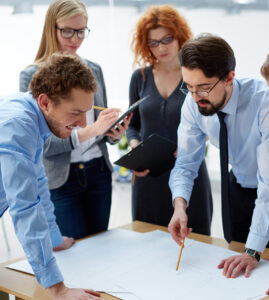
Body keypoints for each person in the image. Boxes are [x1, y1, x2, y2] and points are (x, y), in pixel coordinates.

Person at [19, 0, 131, 240]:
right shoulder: (31, 76)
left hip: (98, 172)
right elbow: (44, 145)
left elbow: (101, 128)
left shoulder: (94, 69)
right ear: (52, 28)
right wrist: (92, 130)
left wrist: (114, 133)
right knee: (73, 253)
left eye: (81, 31)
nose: (75, 39)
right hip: (61, 178)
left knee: (100, 246)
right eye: (67, 31)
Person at [0, 53, 104, 299]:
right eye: (75, 113)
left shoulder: (34, 114)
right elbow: (25, 208)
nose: (81, 123)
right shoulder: (18, 125)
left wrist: (54, 239)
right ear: (45, 102)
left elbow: (38, 183)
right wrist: (57, 288)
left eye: (86, 113)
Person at [168, 34, 269, 281]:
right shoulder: (194, 104)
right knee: (238, 271)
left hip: (266, 189)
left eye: (203, 87)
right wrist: (179, 205)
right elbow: (185, 162)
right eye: (188, 86)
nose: (194, 97)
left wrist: (252, 250)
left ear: (229, 78)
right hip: (237, 188)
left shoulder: (263, 102)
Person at [126, 5, 213, 233]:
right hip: (148, 177)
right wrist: (136, 149)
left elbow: (211, 122)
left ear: (180, 37)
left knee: (194, 246)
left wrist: (190, 146)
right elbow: (132, 126)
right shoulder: (140, 78)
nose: (161, 47)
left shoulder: (195, 77)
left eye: (167, 39)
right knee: (147, 246)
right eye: (153, 42)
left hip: (189, 172)